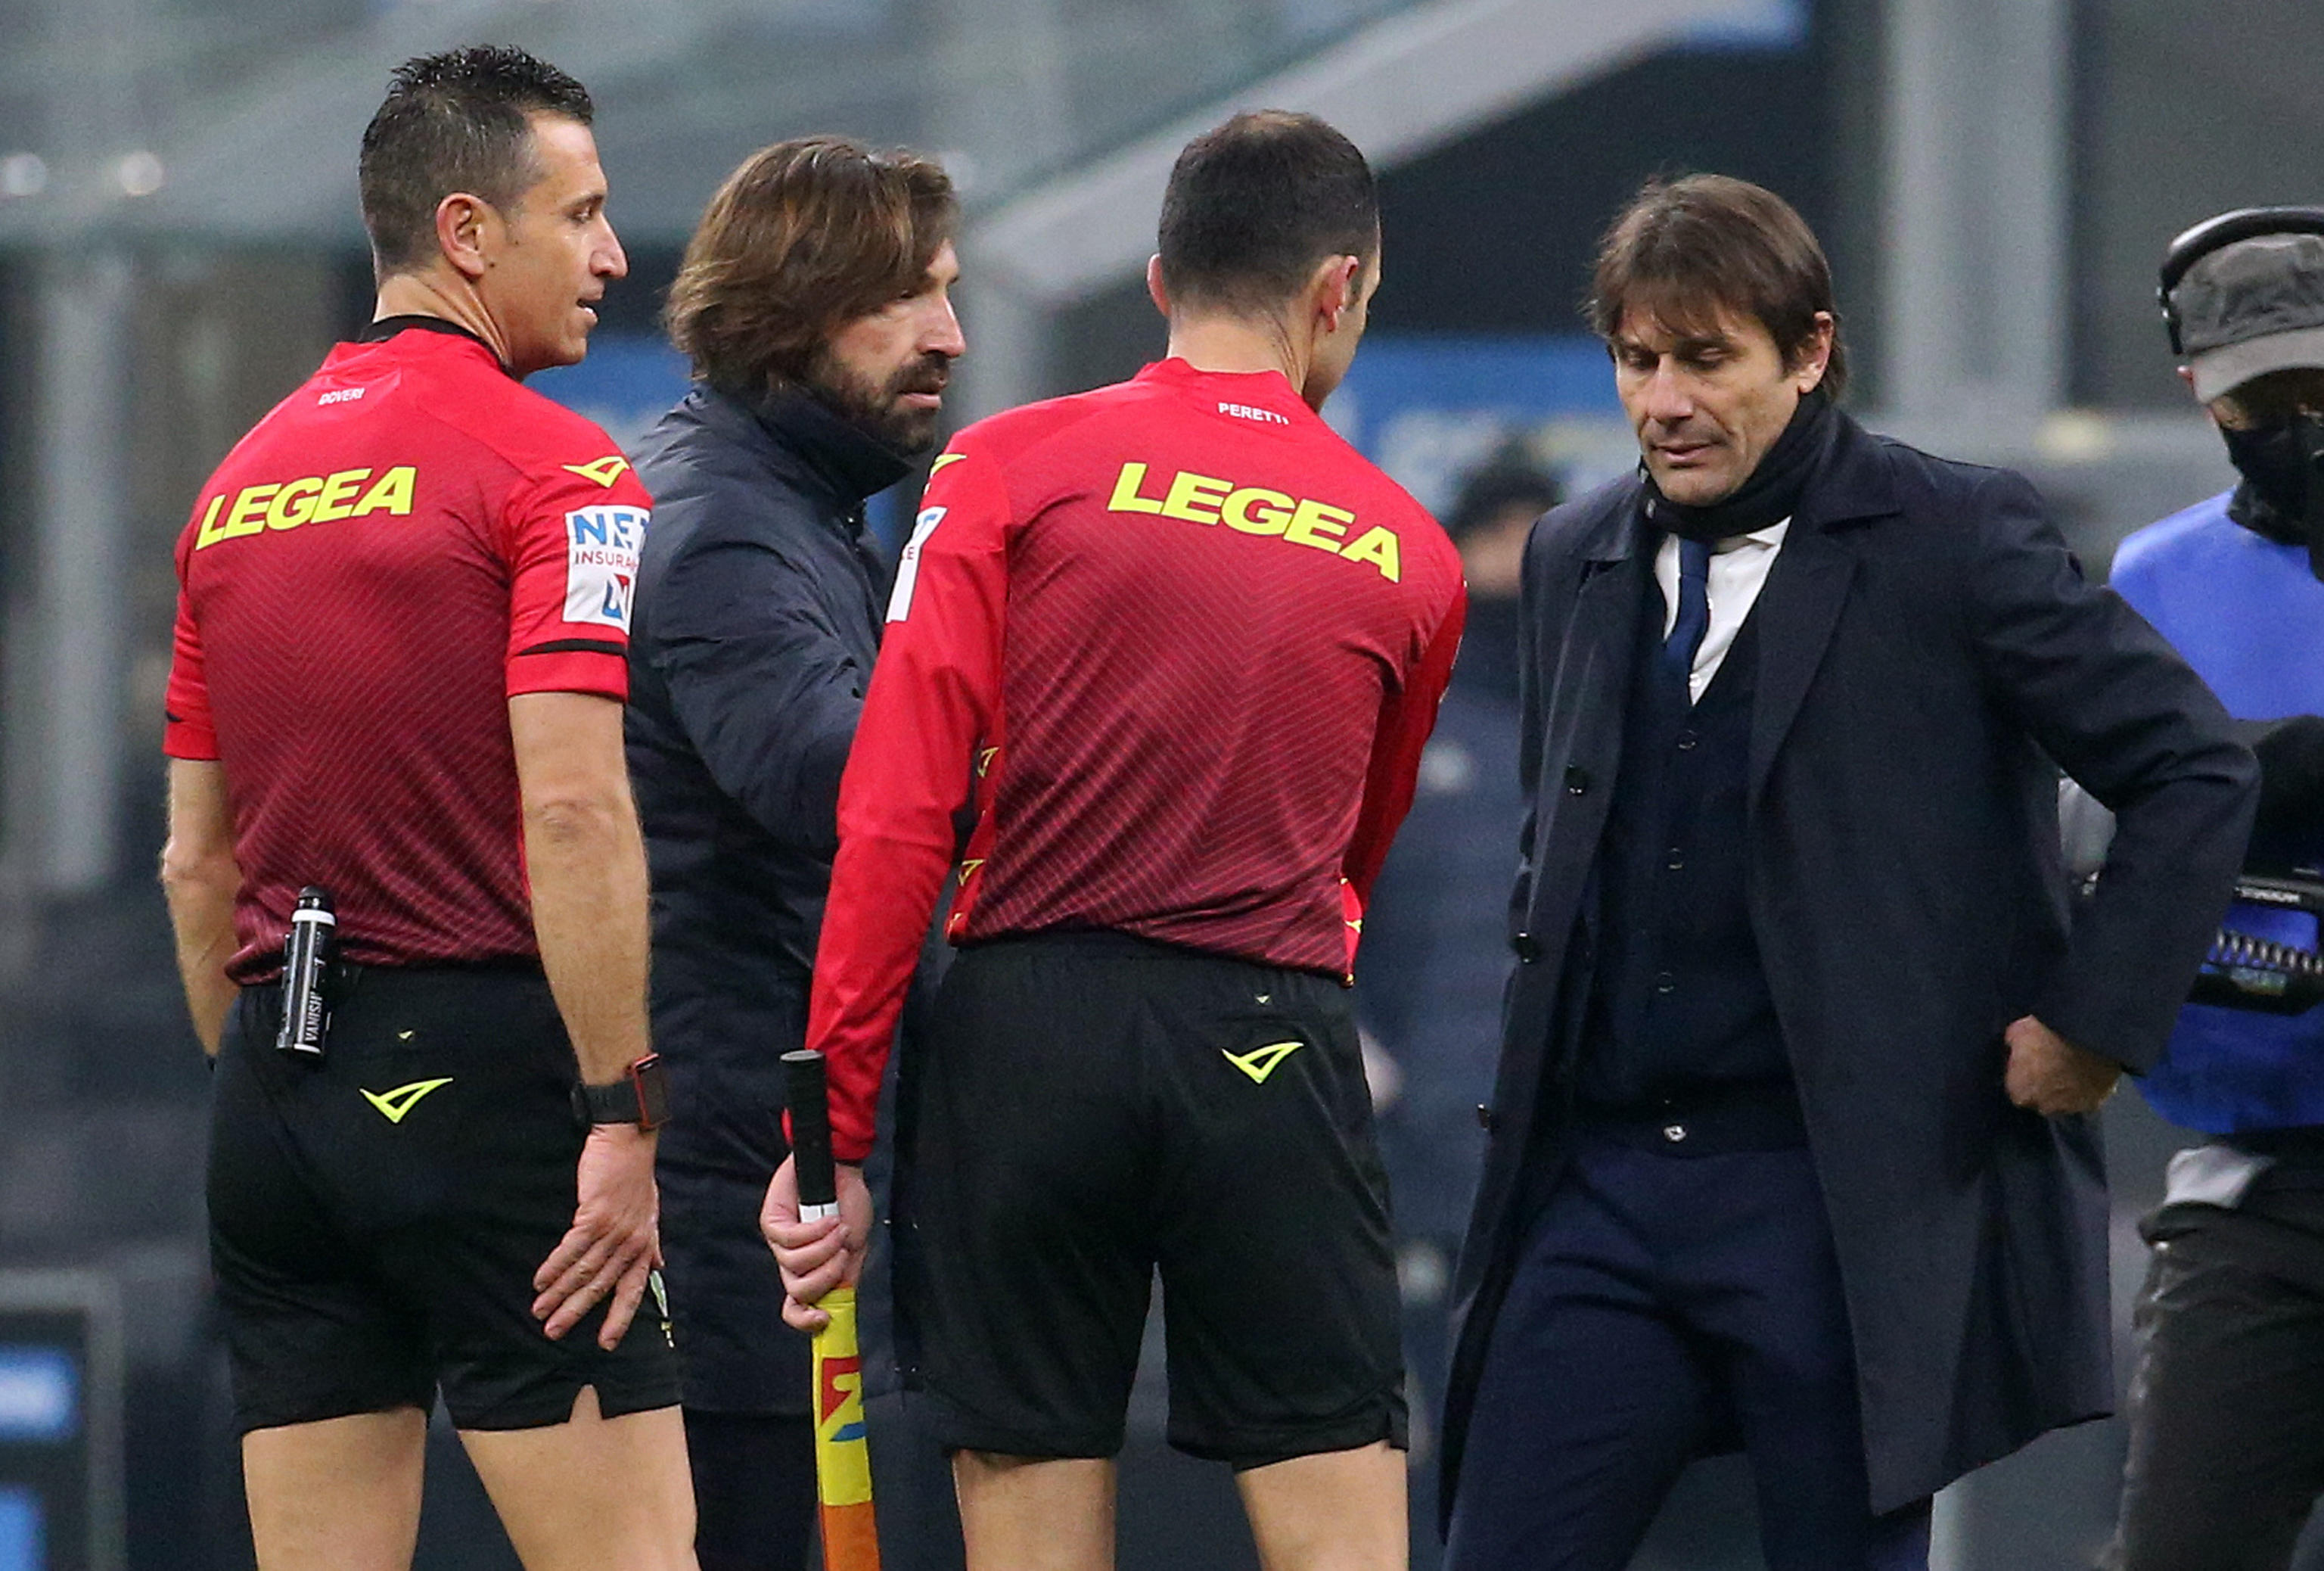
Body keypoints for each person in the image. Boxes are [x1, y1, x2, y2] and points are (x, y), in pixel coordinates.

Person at [1438, 174, 2256, 1571]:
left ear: (1808, 352)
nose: (1666, 402)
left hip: (1839, 1202)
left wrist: (2096, 1024)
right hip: (1604, 1194)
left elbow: (2193, 768)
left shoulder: (1955, 537)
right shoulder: (1577, 554)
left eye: (1707, 359)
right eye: (1639, 362)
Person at [769, 110, 1467, 1571]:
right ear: (1338, 288)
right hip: (1269, 1036)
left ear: (1158, 277)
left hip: (1029, 1037)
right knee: (1341, 1520)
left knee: (1027, 1517)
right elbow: (1355, 865)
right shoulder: (1410, 549)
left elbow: (896, 815)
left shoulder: (1003, 469)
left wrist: (828, 1130)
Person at [156, 46, 694, 1571]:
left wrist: (270, 1079)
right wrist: (620, 1117)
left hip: (272, 1095)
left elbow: (196, 864)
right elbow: (577, 812)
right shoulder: (564, 470)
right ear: (468, 233)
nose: (609, 257)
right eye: (579, 216)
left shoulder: (234, 491)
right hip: (489, 1086)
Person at [623, 136, 965, 1571]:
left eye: (949, 292)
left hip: (770, 1164)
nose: (949, 333)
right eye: (902, 300)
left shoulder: (793, 507)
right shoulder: (718, 527)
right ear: (781, 321)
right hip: (736, 1191)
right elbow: (844, 786)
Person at [2100, 207, 2324, 1571]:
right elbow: (2095, 830)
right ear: (2202, 394)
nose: (2300, 423)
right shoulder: (2158, 579)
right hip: (2258, 1185)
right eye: (2264, 401)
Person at [1356, 455, 1556, 1459]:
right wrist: (1354, 1045)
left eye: (1538, 539)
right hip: (1423, 1152)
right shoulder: (1400, 717)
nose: (1515, 567)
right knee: (1434, 1429)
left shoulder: (1604, 724)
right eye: (1497, 539)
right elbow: (1315, 900)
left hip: (1569, 1147)